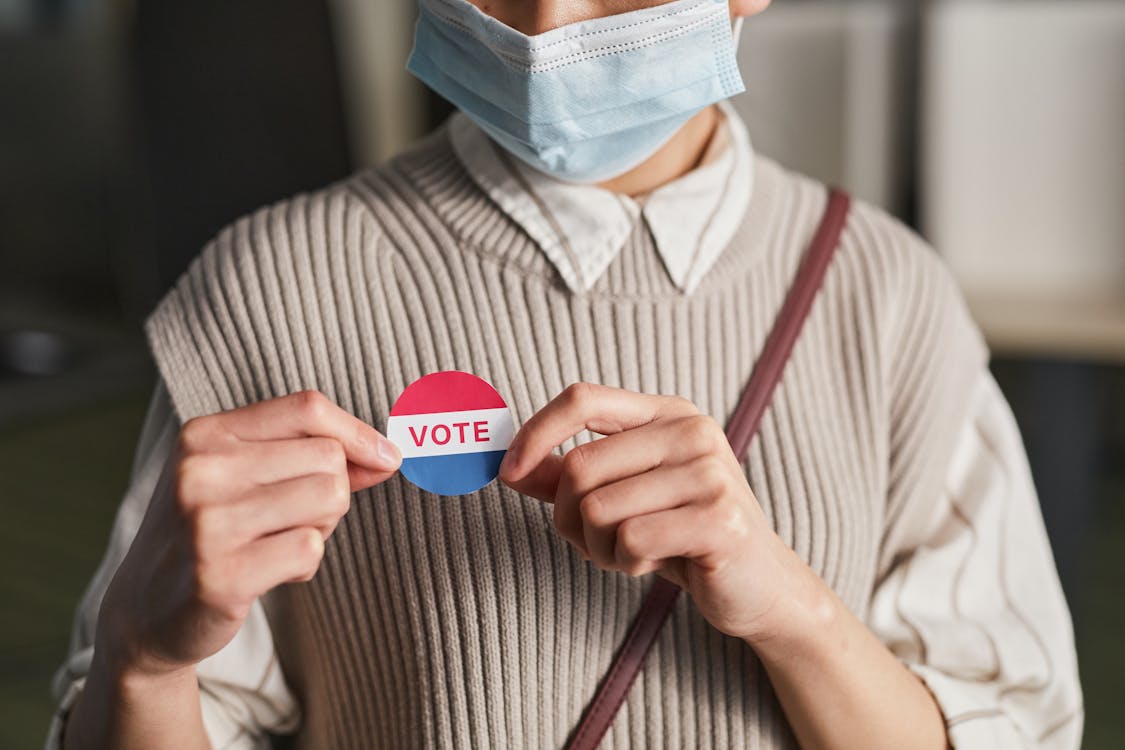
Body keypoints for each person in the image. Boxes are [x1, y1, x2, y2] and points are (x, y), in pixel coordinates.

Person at [50, 0, 1082, 748]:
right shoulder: (267, 288)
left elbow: (1013, 725)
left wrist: (791, 611)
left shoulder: (890, 296)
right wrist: (144, 660)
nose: (546, 26)